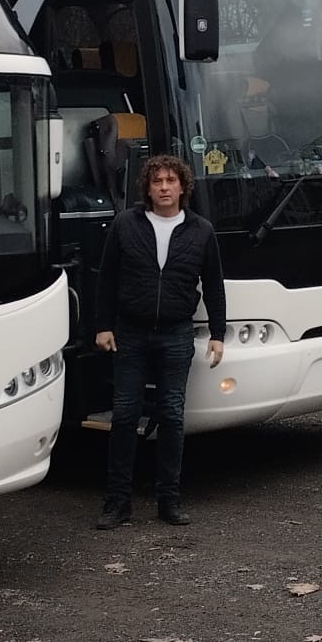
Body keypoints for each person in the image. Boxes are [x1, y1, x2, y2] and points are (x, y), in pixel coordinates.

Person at [92, 153, 227, 528]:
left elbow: (213, 285)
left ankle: (169, 500)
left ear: (183, 186)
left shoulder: (201, 230)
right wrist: (104, 326)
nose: (164, 188)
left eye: (171, 181)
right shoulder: (125, 225)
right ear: (147, 189)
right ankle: (117, 502)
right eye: (157, 182)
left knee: (171, 415)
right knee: (124, 415)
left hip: (176, 333)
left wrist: (218, 333)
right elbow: (107, 279)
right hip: (130, 333)